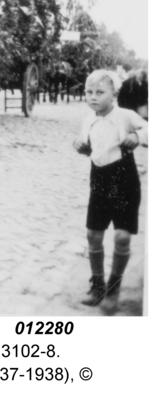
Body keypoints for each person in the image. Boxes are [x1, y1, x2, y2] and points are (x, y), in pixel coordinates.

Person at [73, 70, 148, 313]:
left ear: (114, 94)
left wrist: (137, 135)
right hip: (99, 181)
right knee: (93, 235)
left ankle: (114, 288)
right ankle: (97, 285)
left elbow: (149, 129)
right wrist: (81, 146)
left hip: (125, 181)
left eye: (100, 92)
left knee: (122, 237)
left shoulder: (125, 116)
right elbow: (88, 146)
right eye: (89, 92)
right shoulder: (88, 119)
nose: (93, 97)